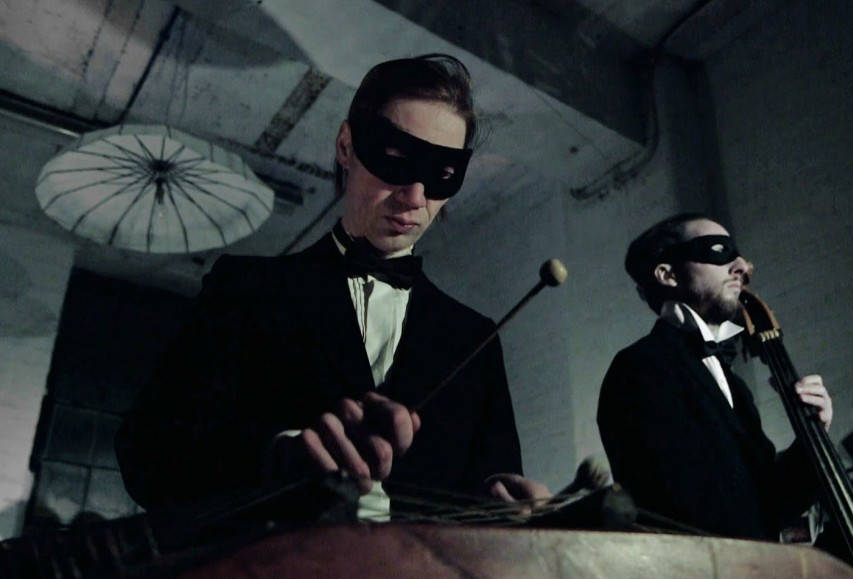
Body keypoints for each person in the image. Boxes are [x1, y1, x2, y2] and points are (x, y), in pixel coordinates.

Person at [116, 54, 548, 524]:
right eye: (396, 160)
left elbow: (490, 493)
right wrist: (277, 459)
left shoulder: (474, 339)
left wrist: (505, 505)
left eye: (442, 174)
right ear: (346, 146)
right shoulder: (245, 290)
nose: (415, 197)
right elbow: (147, 456)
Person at [597, 213, 833, 540]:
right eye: (718, 251)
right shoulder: (639, 368)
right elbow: (679, 507)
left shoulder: (733, 384)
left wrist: (812, 435)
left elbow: (771, 506)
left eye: (738, 255)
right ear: (667, 274)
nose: (742, 266)